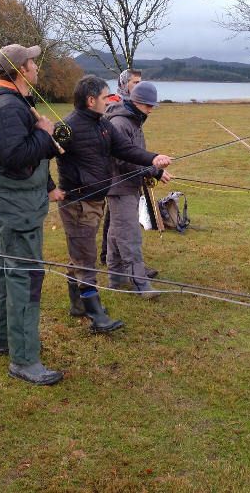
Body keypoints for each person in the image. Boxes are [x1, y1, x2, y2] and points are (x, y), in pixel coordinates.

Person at [0, 43, 64, 386]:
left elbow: (24, 155)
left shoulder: (13, 103)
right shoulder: (8, 107)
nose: (37, 67)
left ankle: (2, 340)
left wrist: (49, 184)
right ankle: (24, 359)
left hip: (19, 202)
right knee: (25, 276)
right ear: (21, 69)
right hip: (17, 206)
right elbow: (16, 155)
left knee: (7, 269)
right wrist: (45, 135)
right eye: (32, 62)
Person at [55, 75, 171, 330]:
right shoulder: (67, 126)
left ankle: (77, 303)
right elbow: (42, 154)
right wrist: (51, 188)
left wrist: (154, 160)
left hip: (96, 200)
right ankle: (96, 314)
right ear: (91, 100)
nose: (111, 100)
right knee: (86, 258)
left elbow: (126, 150)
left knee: (80, 255)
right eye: (106, 96)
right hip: (76, 202)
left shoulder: (103, 125)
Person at [105, 81, 173, 295]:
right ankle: (140, 284)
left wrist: (152, 170)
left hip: (129, 185)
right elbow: (123, 160)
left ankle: (116, 278)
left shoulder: (134, 120)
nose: (151, 110)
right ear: (135, 102)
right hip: (119, 186)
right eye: (148, 106)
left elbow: (136, 154)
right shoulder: (120, 123)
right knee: (130, 236)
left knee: (117, 232)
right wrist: (154, 170)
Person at [101, 68, 143, 262]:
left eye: (140, 83)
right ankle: (113, 260)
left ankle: (112, 259)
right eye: (135, 83)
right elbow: (120, 151)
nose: (139, 86)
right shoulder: (116, 107)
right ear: (124, 84)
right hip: (115, 176)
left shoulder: (132, 108)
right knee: (118, 220)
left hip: (126, 176)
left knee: (116, 218)